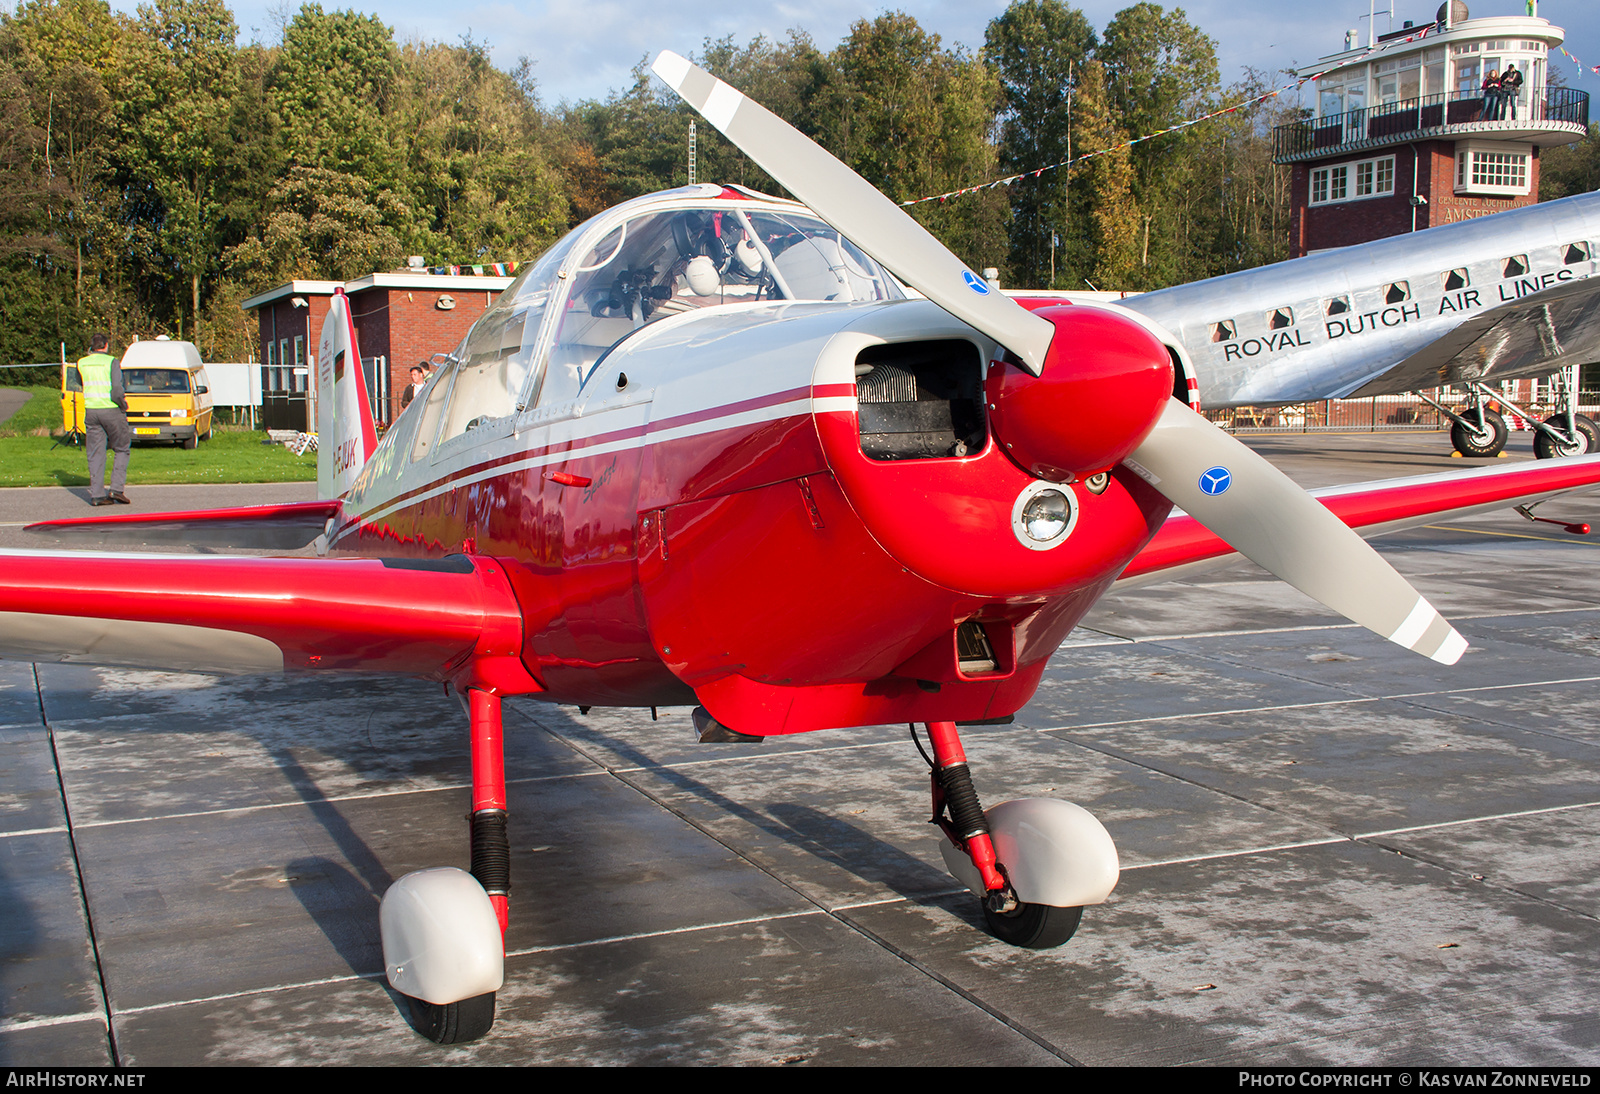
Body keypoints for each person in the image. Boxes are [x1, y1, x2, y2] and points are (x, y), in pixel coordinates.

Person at [76, 332, 130, 506]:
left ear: (92, 346)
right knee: (121, 448)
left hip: (91, 411)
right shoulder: (112, 362)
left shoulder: (81, 363)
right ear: (106, 346)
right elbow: (116, 389)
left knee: (95, 453)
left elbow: (80, 382)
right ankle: (116, 489)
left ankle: (98, 495)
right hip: (111, 409)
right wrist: (122, 404)